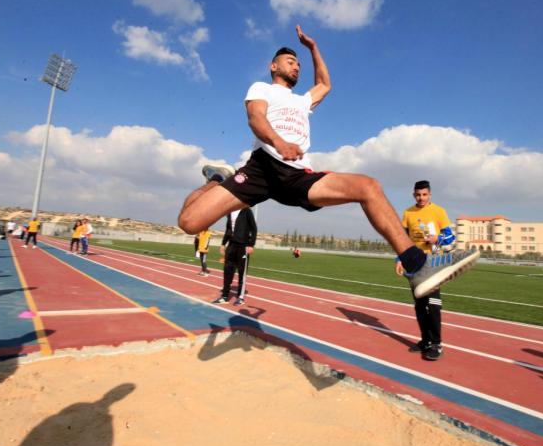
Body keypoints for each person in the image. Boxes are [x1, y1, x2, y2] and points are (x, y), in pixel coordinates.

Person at [177, 25, 478, 299]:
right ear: (273, 66)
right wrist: (280, 143)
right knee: (189, 223)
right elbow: (255, 119)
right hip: (262, 168)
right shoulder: (262, 88)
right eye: (289, 61)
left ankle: (417, 266)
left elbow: (325, 83)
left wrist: (313, 48)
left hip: (296, 176)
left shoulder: (302, 101)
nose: (295, 66)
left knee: (368, 187)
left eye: (298, 63)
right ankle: (217, 180)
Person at [395, 180, 455, 361]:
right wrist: (399, 259)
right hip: (414, 263)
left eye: (424, 194)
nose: (421, 198)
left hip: (434, 263)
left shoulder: (438, 211)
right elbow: (401, 238)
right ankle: (425, 340)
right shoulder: (408, 213)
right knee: (420, 305)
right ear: (414, 195)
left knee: (434, 305)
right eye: (418, 194)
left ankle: (436, 343)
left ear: (430, 195)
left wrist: (438, 238)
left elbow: (451, 237)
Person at [214, 207, 257, 306]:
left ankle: (240, 297)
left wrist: (251, 244)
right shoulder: (230, 212)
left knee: (242, 271)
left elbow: (253, 228)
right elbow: (228, 229)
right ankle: (224, 296)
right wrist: (223, 244)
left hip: (243, 246)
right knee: (227, 270)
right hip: (231, 245)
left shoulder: (246, 211)